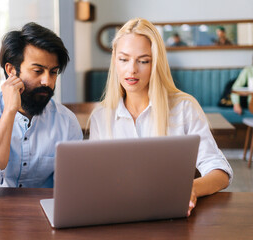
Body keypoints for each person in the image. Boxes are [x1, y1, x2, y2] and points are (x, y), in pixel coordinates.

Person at [89, 18, 233, 217]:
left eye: (143, 60)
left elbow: (219, 172)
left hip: (171, 217)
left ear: (155, 62)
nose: (132, 69)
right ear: (115, 60)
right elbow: (96, 180)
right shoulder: (101, 116)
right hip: (117, 215)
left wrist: (191, 189)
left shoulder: (184, 108)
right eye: (124, 59)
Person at [0, 22, 83, 198]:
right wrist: (9, 112)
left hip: (46, 215)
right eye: (38, 71)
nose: (48, 81)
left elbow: (73, 187)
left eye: (53, 72)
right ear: (11, 71)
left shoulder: (66, 122)